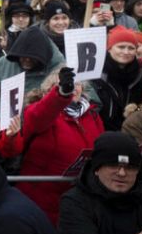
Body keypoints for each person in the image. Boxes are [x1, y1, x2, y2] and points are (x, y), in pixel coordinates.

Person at [18, 67, 105, 224]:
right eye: (68, 83)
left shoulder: (91, 114)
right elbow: (39, 116)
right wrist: (61, 94)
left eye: (78, 84)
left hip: (78, 195)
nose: (74, 87)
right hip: (41, 196)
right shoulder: (40, 110)